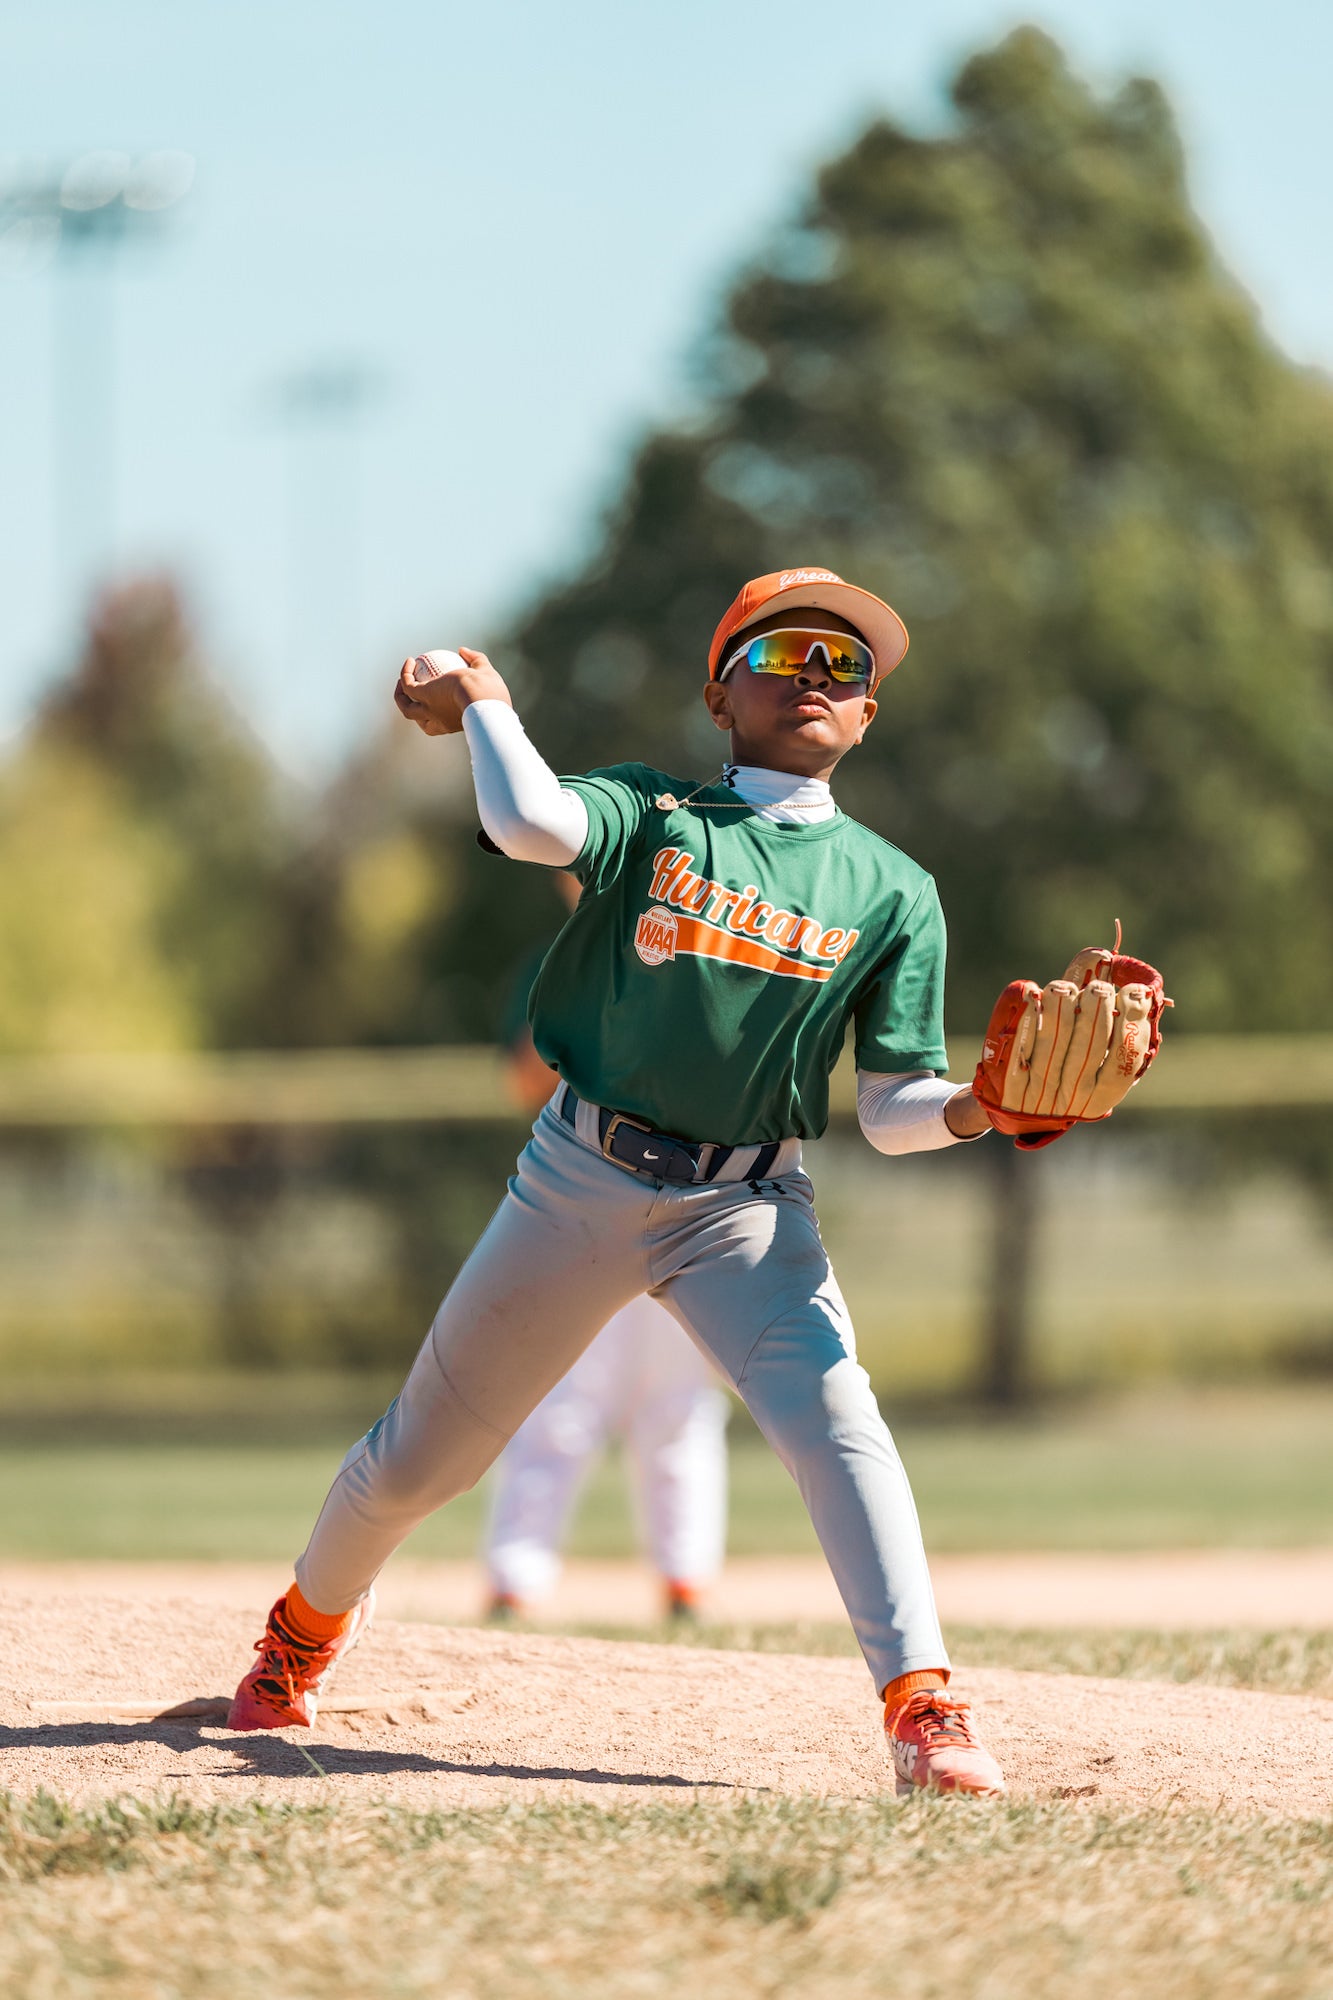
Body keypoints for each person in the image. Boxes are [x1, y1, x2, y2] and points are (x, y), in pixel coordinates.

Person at [228, 566, 1006, 1799]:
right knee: (422, 1456)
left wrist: (977, 1107)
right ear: (718, 692)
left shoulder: (895, 890)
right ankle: (300, 1633)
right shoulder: (655, 812)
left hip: (746, 1210)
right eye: (782, 652)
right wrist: (488, 698)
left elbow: (892, 1107)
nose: (814, 674)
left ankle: (924, 1705)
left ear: (869, 717)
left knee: (838, 1423)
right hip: (578, 1177)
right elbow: (536, 826)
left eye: (845, 664)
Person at [485, 880, 729, 1625]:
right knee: (559, 1394)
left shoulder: (701, 956)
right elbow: (521, 1079)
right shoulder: (552, 964)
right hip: (579, 1199)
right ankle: (515, 1577)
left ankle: (686, 1578)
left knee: (678, 1400)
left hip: (688, 1198)